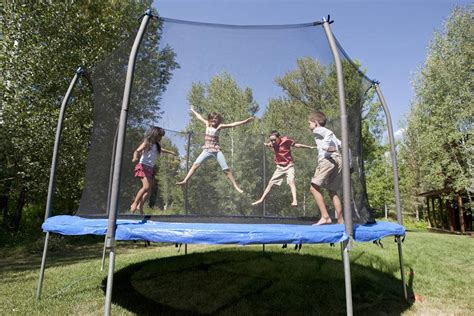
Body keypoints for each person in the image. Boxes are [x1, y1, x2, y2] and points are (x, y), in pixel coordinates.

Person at [176, 107, 254, 193]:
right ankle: (185, 180)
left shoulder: (220, 126)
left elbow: (233, 124)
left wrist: (246, 121)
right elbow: (199, 117)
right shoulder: (206, 124)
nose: (214, 120)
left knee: (226, 169)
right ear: (209, 119)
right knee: (195, 165)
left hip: (216, 151)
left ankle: (236, 186)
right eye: (212, 118)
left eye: (216, 119)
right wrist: (193, 111)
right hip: (206, 150)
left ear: (218, 120)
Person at [252, 131, 315, 207]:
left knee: (291, 181)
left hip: (289, 166)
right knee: (270, 183)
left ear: (279, 138)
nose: (273, 141)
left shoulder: (286, 141)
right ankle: (261, 199)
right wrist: (266, 144)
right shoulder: (273, 143)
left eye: (274, 139)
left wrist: (308, 147)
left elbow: (297, 145)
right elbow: (270, 144)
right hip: (279, 168)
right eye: (271, 140)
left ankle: (295, 200)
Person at [308, 111, 344, 225]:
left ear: (315, 122)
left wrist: (325, 147)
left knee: (313, 188)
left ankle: (325, 216)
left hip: (327, 160)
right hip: (338, 159)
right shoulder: (332, 136)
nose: (309, 126)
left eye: (310, 123)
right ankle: (340, 220)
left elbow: (328, 132)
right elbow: (341, 144)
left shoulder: (318, 130)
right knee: (332, 191)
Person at [131, 126, 177, 214]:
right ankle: (135, 203)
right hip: (143, 166)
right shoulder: (147, 143)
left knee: (149, 190)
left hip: (150, 169)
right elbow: (137, 151)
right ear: (154, 135)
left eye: (161, 136)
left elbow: (162, 150)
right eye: (159, 136)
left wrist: (170, 152)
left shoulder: (156, 145)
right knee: (146, 187)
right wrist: (135, 157)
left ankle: (140, 206)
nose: (160, 138)